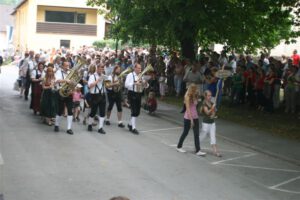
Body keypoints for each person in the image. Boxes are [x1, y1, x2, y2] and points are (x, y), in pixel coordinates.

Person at [176, 84, 206, 156]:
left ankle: (198, 150)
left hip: (195, 117)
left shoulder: (195, 96)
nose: (197, 90)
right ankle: (179, 146)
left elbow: (199, 101)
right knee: (185, 132)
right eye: (195, 89)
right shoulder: (187, 97)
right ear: (192, 89)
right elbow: (188, 109)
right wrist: (191, 120)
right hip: (188, 118)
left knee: (196, 134)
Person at [125, 63, 148, 134]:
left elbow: (146, 86)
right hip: (132, 93)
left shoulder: (141, 76)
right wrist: (134, 83)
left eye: (140, 68)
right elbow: (126, 85)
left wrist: (145, 83)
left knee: (137, 112)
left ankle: (130, 124)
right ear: (135, 68)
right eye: (138, 68)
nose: (140, 70)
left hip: (139, 94)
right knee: (134, 111)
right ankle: (133, 128)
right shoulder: (130, 75)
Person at [54, 61, 74, 135]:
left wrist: (73, 85)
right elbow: (57, 80)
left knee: (70, 110)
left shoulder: (70, 73)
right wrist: (66, 80)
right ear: (62, 66)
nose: (67, 67)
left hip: (69, 93)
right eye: (66, 66)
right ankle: (56, 125)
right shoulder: (59, 72)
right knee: (60, 110)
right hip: (60, 92)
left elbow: (73, 82)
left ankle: (69, 128)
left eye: (68, 65)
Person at [199, 90, 221, 157]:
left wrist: (213, 114)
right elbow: (207, 112)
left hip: (212, 123)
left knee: (213, 136)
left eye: (210, 95)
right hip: (206, 123)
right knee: (202, 136)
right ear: (205, 96)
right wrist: (212, 107)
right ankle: (197, 146)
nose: (210, 97)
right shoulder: (204, 104)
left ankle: (215, 151)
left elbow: (213, 112)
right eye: (208, 95)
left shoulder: (212, 102)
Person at [87, 64, 107, 134]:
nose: (102, 70)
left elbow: (107, 86)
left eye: (102, 69)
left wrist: (108, 83)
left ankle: (100, 128)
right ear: (97, 68)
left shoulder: (104, 76)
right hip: (94, 95)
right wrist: (98, 80)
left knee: (102, 112)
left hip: (102, 95)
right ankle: (89, 124)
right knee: (93, 111)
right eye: (101, 69)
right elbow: (90, 86)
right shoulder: (92, 76)